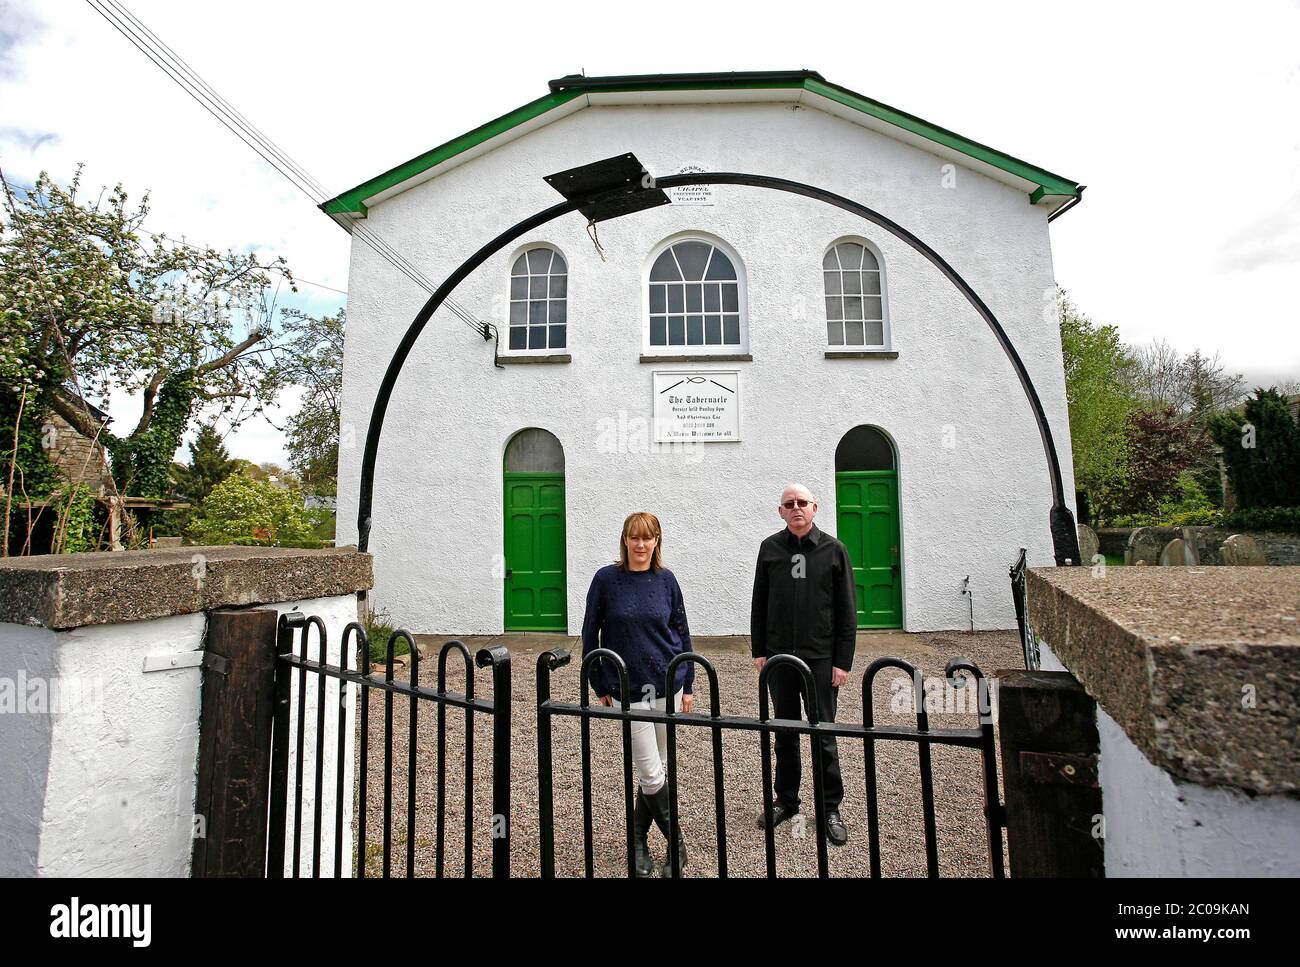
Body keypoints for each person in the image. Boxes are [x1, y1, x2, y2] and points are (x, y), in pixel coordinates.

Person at [581, 511, 695, 877]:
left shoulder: (666, 580)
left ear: (657, 541)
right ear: (625, 540)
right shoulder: (606, 580)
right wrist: (598, 682)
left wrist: (688, 682)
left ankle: (638, 843)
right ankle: (676, 847)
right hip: (627, 688)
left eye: (648, 538)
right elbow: (589, 633)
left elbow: (681, 630)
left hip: (667, 684)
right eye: (635, 537)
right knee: (650, 771)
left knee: (658, 770)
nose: (641, 544)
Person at [750, 483, 856, 846]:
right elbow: (759, 603)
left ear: (815, 508)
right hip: (780, 658)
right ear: (780, 511)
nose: (796, 508)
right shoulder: (770, 549)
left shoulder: (833, 550)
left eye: (802, 503)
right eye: (789, 504)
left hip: (821, 659)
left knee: (824, 735)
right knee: (784, 731)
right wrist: (760, 650)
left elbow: (846, 612)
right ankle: (788, 801)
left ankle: (829, 808)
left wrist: (842, 662)